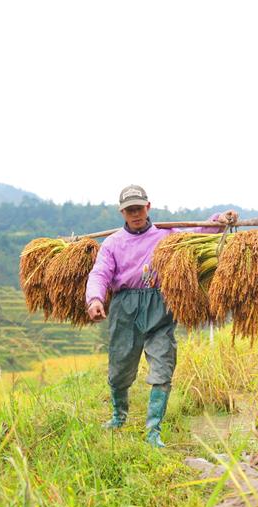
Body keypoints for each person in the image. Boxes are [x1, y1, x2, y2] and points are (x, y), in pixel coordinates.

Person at [85, 184, 238, 447]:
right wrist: (95, 298)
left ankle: (153, 430)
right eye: (129, 210)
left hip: (160, 305)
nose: (135, 214)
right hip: (126, 306)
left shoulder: (168, 235)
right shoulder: (112, 244)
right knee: (120, 367)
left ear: (148, 207)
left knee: (163, 365)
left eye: (139, 208)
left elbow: (198, 231)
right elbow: (100, 273)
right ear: (122, 212)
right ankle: (118, 416)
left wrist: (219, 220)